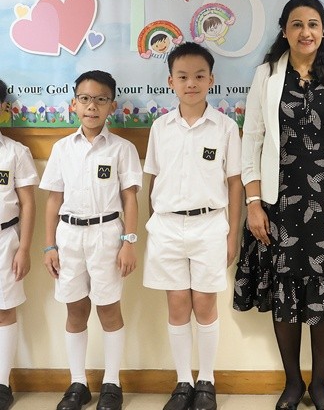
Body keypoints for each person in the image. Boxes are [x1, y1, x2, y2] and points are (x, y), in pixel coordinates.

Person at [233, 0, 324, 410]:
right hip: (279, 205)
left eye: (313, 24)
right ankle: (293, 384)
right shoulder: (267, 75)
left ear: (323, 30)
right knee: (285, 292)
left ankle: (321, 385)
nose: (305, 32)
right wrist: (253, 203)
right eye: (297, 24)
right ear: (284, 30)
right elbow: (252, 141)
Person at [143, 42, 242, 410]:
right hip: (167, 227)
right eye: (182, 77)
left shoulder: (225, 127)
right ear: (171, 81)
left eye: (199, 76)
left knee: (204, 303)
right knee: (177, 305)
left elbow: (235, 184)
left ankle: (207, 381)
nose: (191, 83)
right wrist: (152, 225)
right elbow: (153, 180)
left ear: (211, 80)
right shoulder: (160, 127)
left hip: (210, 226)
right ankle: (183, 380)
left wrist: (232, 234)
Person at [41, 71, 142, 410]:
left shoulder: (122, 149)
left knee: (108, 308)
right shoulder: (61, 149)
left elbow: (129, 198)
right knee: (75, 309)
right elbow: (53, 199)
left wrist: (129, 241)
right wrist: (49, 246)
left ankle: (112, 382)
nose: (92, 106)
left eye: (100, 100)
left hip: (106, 235)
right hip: (68, 236)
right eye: (84, 99)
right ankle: (78, 383)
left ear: (112, 106)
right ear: (74, 104)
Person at [0, 79, 38, 410]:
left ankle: (2, 383)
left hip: (5, 241)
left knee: (4, 310)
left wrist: (24, 248)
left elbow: (27, 203)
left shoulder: (15, 152)